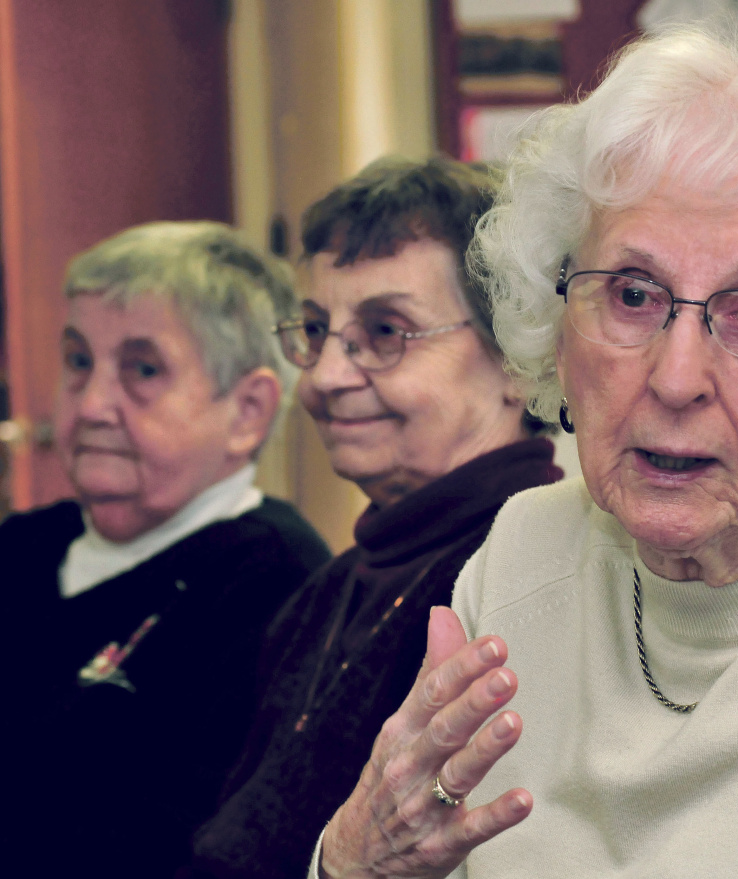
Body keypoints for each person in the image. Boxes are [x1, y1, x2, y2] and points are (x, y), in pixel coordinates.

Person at [311, 27, 738, 879]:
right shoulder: (521, 554)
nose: (675, 379)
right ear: (558, 328)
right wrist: (351, 863)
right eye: (632, 295)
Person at [184, 156, 562, 878]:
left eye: (386, 330)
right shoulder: (329, 588)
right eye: (317, 331)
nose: (324, 376)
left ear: (518, 356)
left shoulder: (529, 571)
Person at [0, 222, 331, 877]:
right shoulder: (23, 546)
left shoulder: (276, 585)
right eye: (78, 361)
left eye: (142, 369)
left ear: (247, 411)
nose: (92, 403)